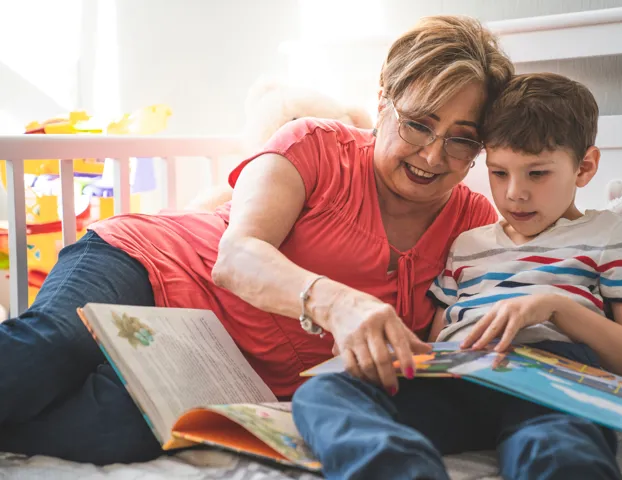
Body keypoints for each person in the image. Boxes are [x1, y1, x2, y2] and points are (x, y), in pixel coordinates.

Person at [0, 15, 513, 465]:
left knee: (115, 429)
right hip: (148, 265)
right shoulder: (313, 143)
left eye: (461, 138)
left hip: (215, 366)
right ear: (382, 100)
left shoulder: (476, 227)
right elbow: (237, 257)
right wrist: (335, 302)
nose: (431, 155)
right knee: (50, 351)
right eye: (418, 125)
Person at [292, 73, 622, 480]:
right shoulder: (467, 244)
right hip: (460, 379)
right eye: (499, 172)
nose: (514, 194)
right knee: (322, 393)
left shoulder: (612, 235)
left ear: (585, 167)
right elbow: (434, 343)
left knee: (555, 447)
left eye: (537, 173)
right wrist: (382, 353)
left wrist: (555, 307)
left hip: (552, 381)